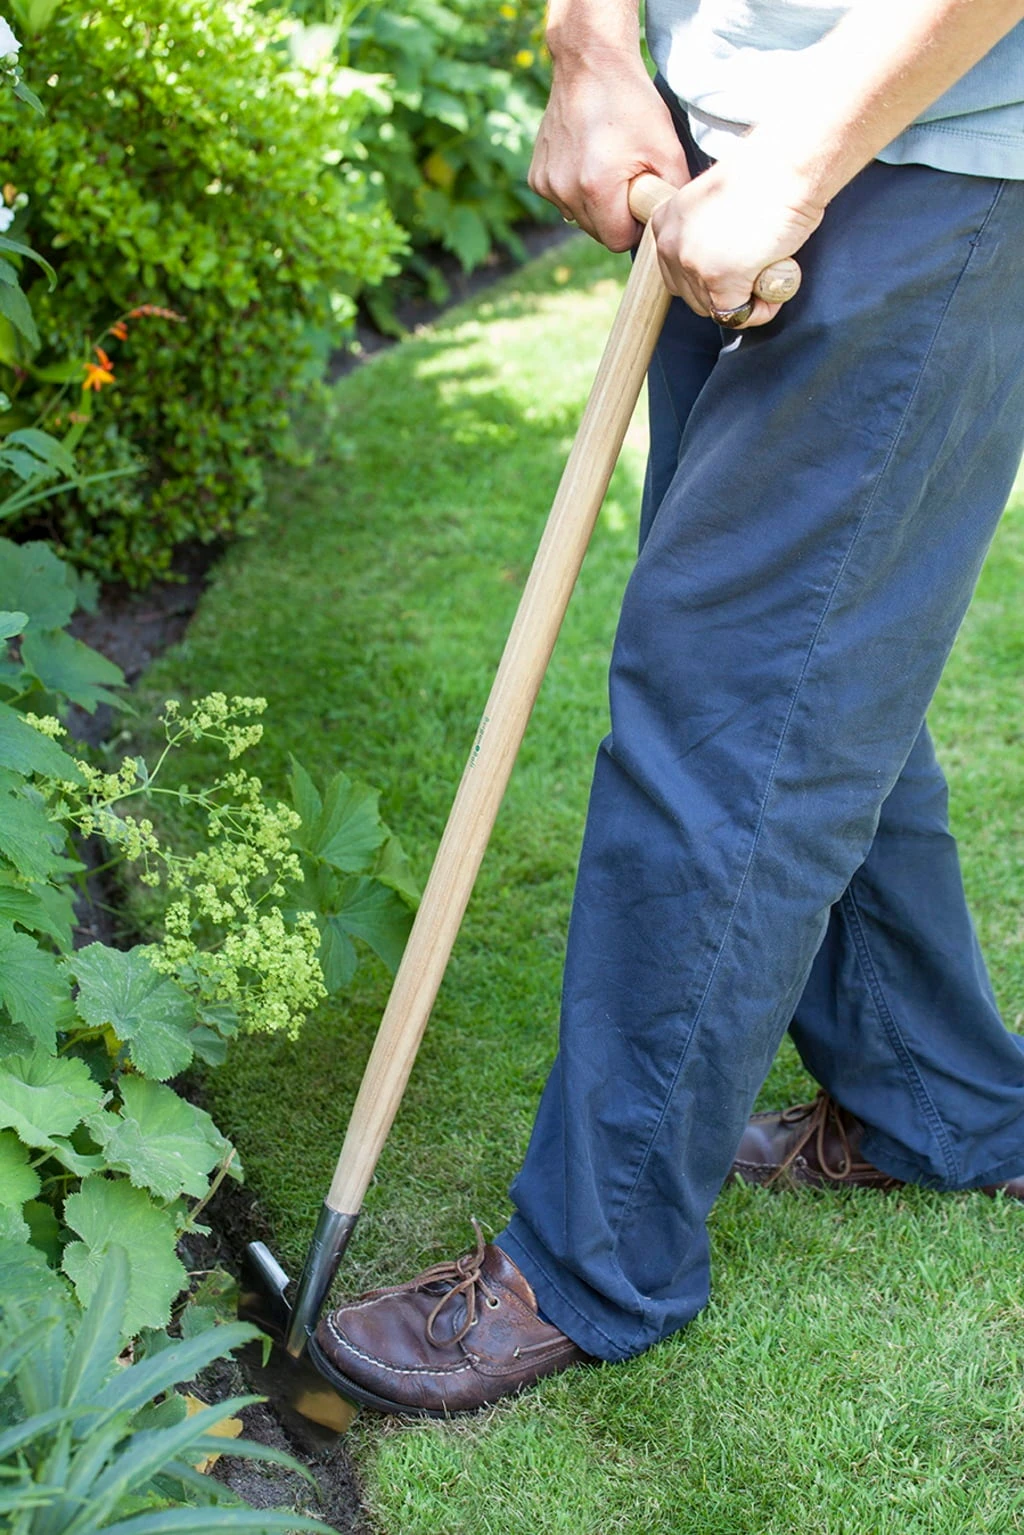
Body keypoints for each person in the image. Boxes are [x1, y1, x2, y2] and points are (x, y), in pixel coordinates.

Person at [312, 0, 1024, 1418]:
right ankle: (937, 1101)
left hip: (925, 153)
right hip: (721, 142)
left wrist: (793, 165)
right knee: (807, 667)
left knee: (732, 707)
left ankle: (596, 1253)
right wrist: (591, 47)